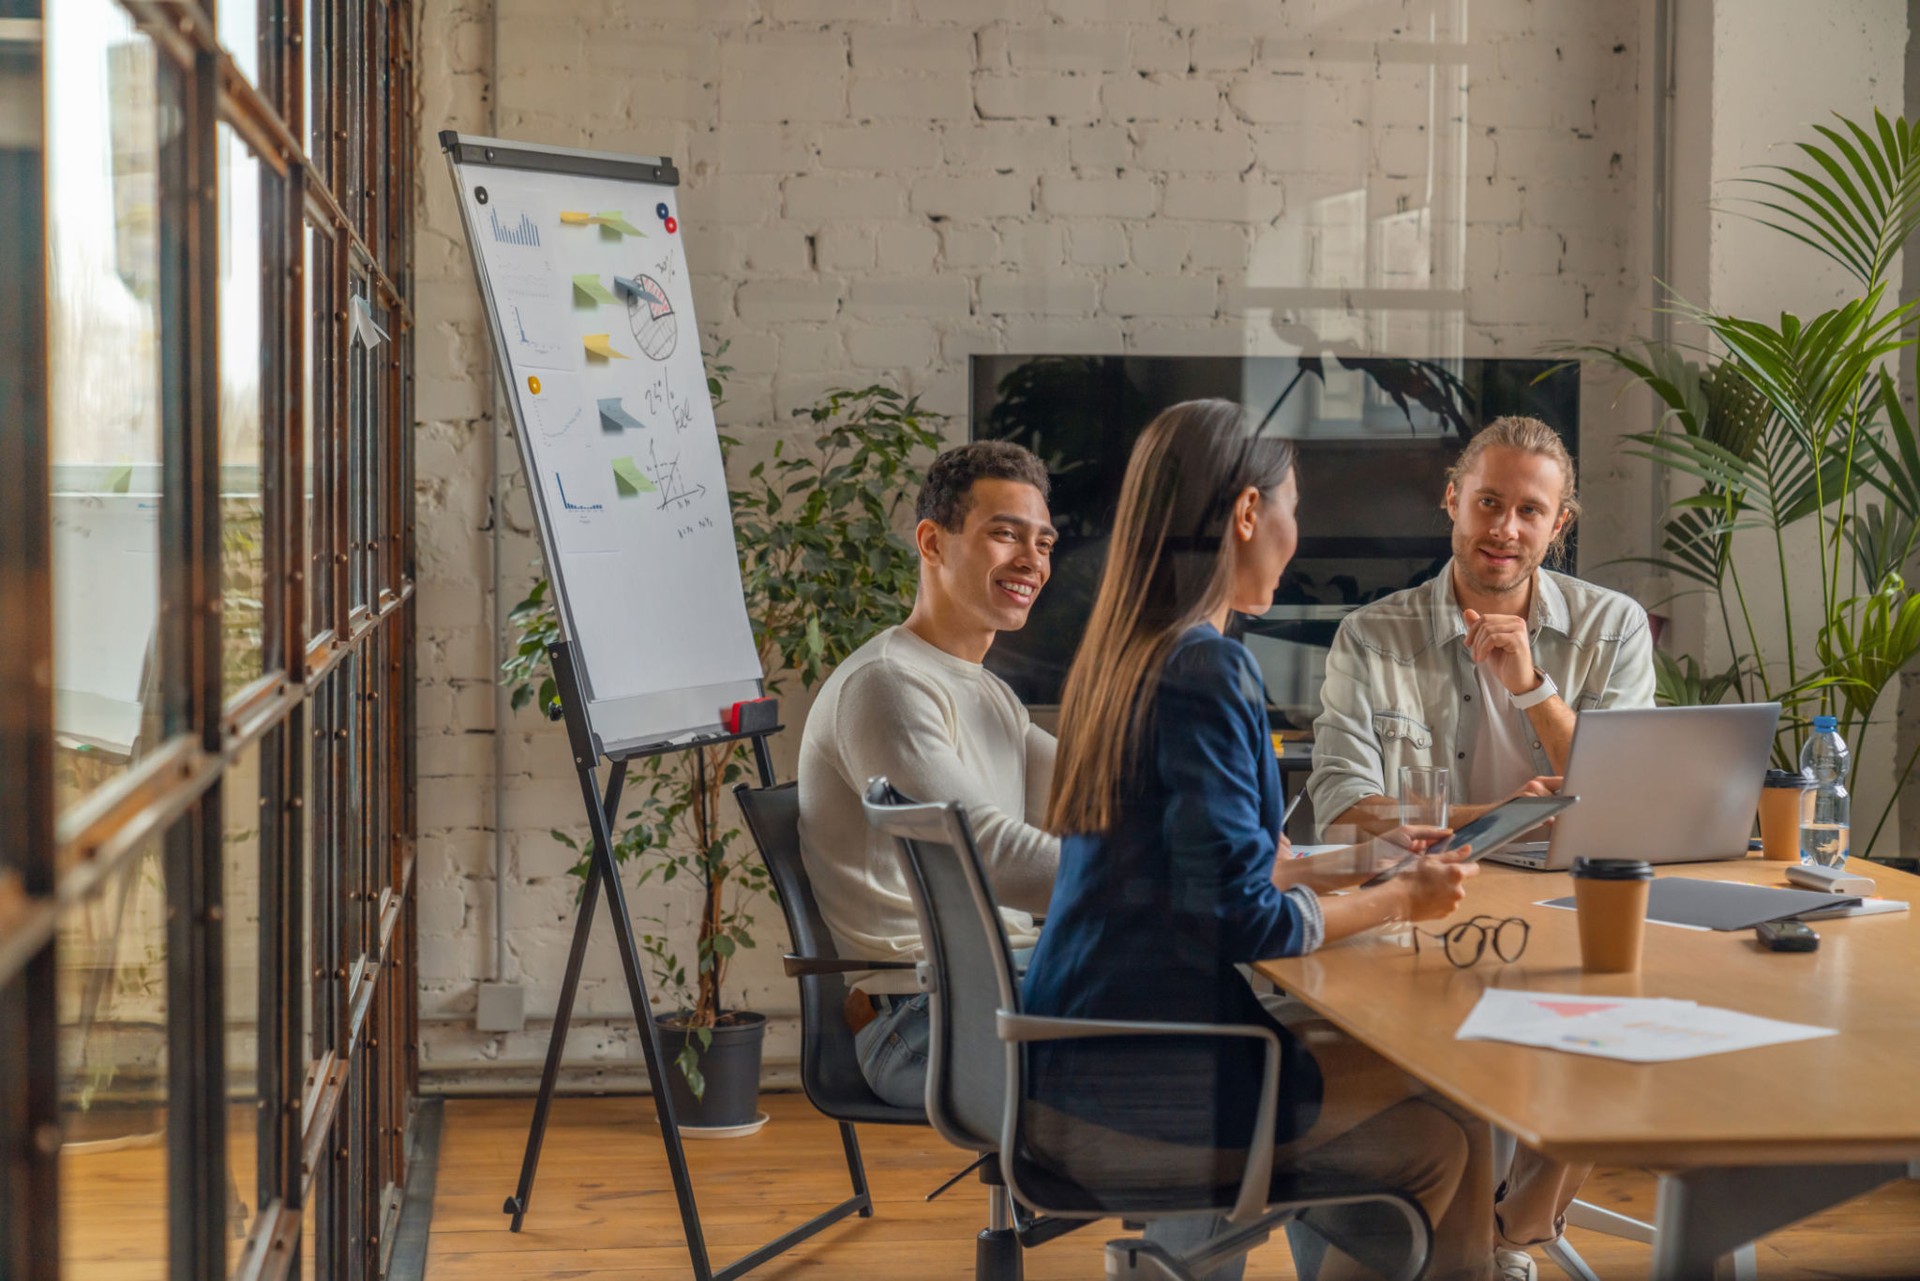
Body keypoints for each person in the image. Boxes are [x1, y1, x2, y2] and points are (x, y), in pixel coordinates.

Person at [1025, 399, 1560, 1281]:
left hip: (1080, 1050)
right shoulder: (1206, 666)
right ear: (1246, 513)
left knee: (1443, 1111)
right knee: (1453, 1110)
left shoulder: (1127, 654)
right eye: (1292, 509)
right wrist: (1401, 898)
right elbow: (1247, 918)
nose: (1295, 535)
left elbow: (1220, 862)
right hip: (1144, 1080)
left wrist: (1370, 858)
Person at [798, 440, 1060, 1110]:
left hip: (1006, 989)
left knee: (1228, 1026)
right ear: (932, 542)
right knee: (1208, 1062)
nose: (1031, 560)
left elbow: (1094, 797)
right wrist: (1174, 880)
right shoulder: (887, 685)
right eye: (1005, 535)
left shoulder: (988, 693)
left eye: (1044, 542)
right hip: (923, 1021)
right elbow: (992, 857)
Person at [1308, 415, 1656, 840]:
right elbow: (1340, 811)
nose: (1504, 530)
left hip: (1570, 889)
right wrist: (1498, 818)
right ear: (1453, 500)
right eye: (1488, 502)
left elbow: (1626, 798)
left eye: (1529, 510)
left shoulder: (1615, 626)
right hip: (1424, 890)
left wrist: (1533, 689)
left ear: (1558, 524)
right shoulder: (1369, 636)